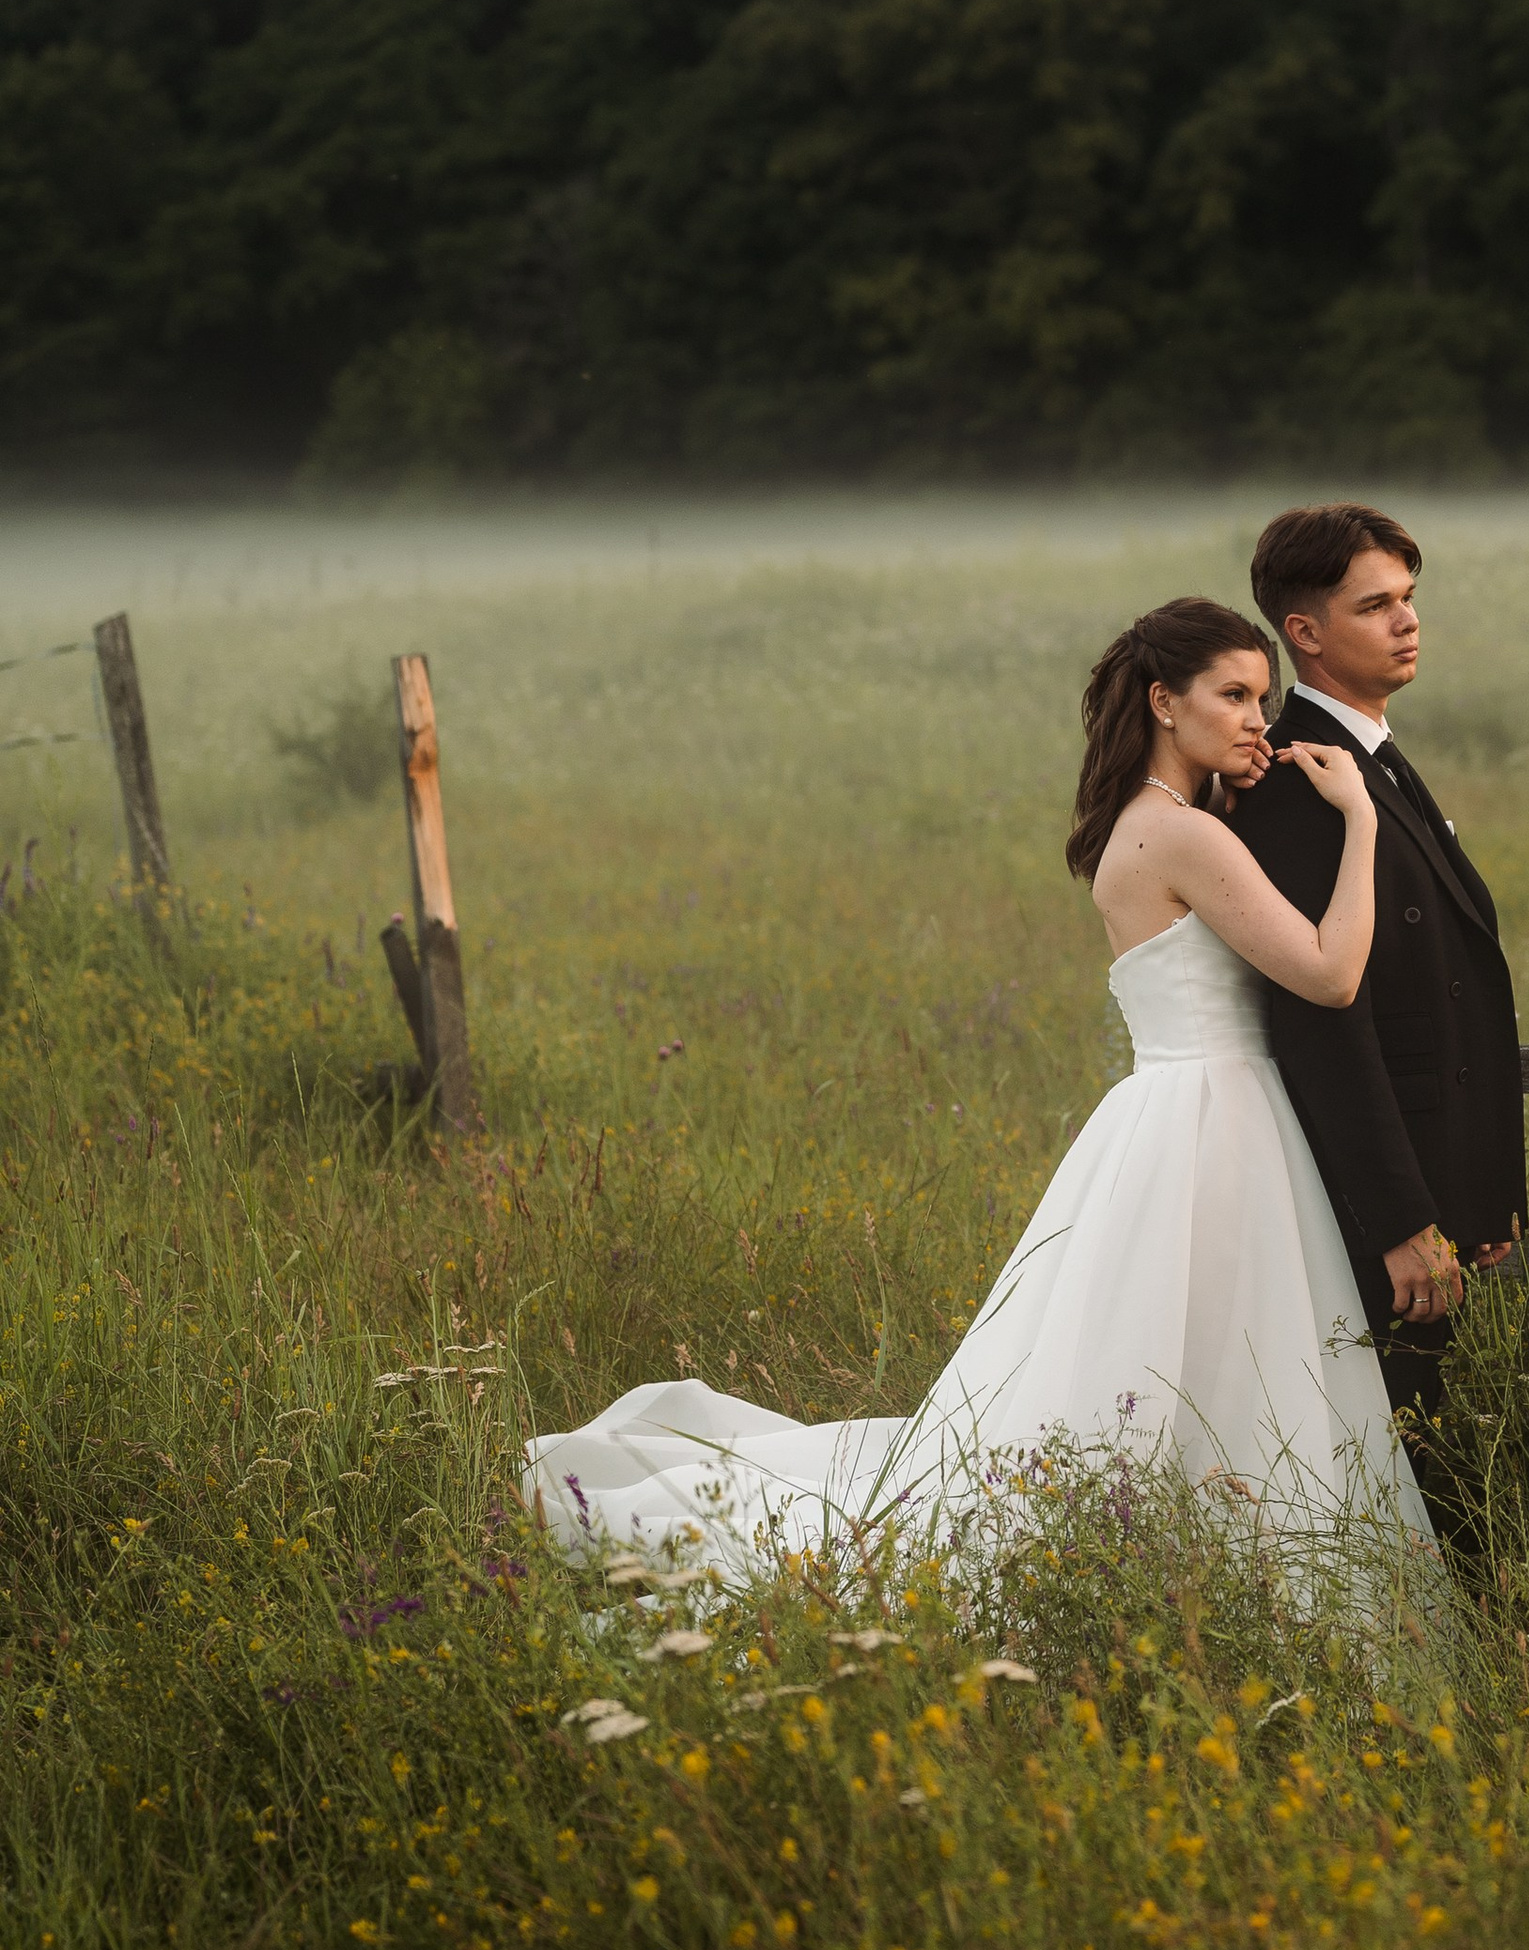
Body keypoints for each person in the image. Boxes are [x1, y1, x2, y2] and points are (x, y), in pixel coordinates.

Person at [522, 598, 1438, 1577]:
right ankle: (1220, 1563)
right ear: (1165, 702)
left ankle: (1178, 1559)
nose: (1261, 718)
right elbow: (1330, 973)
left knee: (1164, 1359)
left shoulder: (1146, 824)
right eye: (1235, 694)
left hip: (1168, 1115)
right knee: (1228, 1354)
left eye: (1262, 696)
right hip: (1221, 1120)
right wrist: (1359, 819)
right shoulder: (1189, 840)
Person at [1228, 504, 1525, 1566]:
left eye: (1409, 598)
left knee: (1431, 1443)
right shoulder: (1297, 787)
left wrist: (1484, 1191)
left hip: (1440, 1182)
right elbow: (1324, 1024)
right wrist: (1403, 1216)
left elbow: (1450, 999)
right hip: (1373, 1209)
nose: (1407, 622)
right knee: (1397, 1454)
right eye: (1376, 604)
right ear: (1303, 633)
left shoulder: (1373, 760)